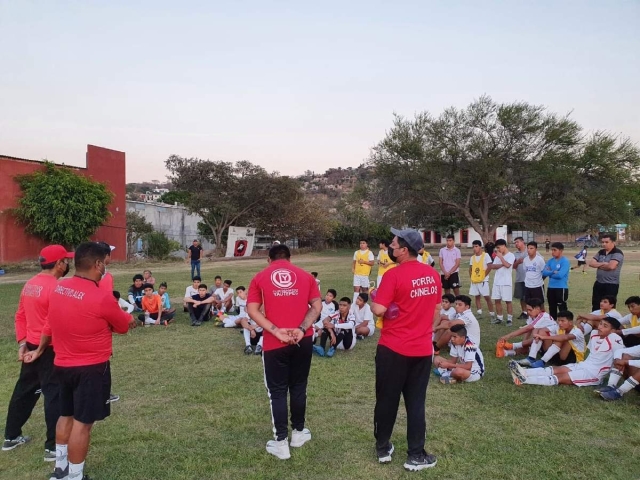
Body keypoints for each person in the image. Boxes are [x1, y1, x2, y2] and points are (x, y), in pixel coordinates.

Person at [23, 241, 137, 480]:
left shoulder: (58, 288)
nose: (106, 267)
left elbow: (50, 324)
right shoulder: (101, 297)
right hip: (91, 369)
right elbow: (123, 325)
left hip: (62, 365)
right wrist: (129, 320)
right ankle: (75, 475)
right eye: (105, 263)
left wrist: (40, 349)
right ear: (97, 264)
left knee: (65, 416)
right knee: (83, 424)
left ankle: (61, 469)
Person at [370, 227, 441, 471]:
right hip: (421, 349)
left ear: (403, 250)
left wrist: (374, 299)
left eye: (393, 243)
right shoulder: (433, 275)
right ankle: (416, 455)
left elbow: (379, 310)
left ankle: (383, 447)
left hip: (393, 348)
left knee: (387, 399)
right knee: (416, 402)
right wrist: (424, 331)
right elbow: (437, 310)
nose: (390, 246)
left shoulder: (393, 275)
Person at [246, 244, 321, 460]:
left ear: (269, 260)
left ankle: (281, 442)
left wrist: (276, 331)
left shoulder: (260, 277)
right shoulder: (306, 276)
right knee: (298, 387)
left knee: (277, 392)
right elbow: (316, 306)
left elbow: (252, 309)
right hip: (303, 340)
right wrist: (301, 329)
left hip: (274, 343)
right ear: (290, 258)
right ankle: (297, 433)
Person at [2, 245, 73, 462]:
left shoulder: (30, 284)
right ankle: (53, 446)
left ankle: (11, 436)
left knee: (24, 391)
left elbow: (20, 315)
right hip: (48, 349)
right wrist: (41, 348)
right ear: (59, 264)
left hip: (31, 346)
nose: (67, 264)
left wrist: (23, 344)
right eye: (65, 260)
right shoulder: (56, 288)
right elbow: (52, 324)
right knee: (54, 394)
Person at [508, 317, 624, 387]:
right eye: (600, 324)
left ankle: (525, 380)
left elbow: (620, 361)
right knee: (557, 369)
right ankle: (524, 372)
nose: (600, 327)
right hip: (583, 365)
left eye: (605, 326)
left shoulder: (615, 338)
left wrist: (612, 384)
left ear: (613, 330)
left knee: (562, 377)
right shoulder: (594, 334)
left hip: (594, 374)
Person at [495, 298, 558, 364]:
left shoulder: (543, 316)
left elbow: (527, 329)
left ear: (538, 309)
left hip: (550, 346)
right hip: (541, 343)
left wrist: (508, 336)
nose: (528, 312)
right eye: (527, 310)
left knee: (537, 331)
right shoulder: (533, 316)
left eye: (530, 310)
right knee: (530, 343)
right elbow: (528, 330)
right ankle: (506, 353)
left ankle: (529, 357)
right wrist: (524, 344)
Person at [588, 234, 624, 312]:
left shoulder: (617, 253)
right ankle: (595, 322)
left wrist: (598, 264)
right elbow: (591, 263)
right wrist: (603, 263)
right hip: (599, 283)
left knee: (609, 307)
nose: (604, 244)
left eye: (606, 242)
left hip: (611, 284)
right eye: (603, 242)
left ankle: (608, 322)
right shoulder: (601, 252)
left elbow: (611, 266)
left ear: (613, 242)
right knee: (596, 304)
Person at [487, 239, 515, 326]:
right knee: (497, 300)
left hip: (506, 282)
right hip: (497, 281)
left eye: (499, 247)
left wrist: (501, 258)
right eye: (497, 248)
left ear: (504, 246)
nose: (498, 250)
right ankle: (499, 318)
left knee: (508, 301)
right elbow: (493, 266)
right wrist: (502, 263)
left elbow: (508, 265)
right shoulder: (497, 256)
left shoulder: (511, 255)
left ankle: (509, 319)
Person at [542, 242, 570, 320]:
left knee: (562, 308)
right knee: (552, 307)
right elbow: (544, 272)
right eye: (552, 250)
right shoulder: (550, 261)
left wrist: (550, 272)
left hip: (561, 288)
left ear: (561, 251)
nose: (552, 252)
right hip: (551, 288)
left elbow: (560, 275)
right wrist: (553, 272)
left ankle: (565, 324)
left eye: (555, 250)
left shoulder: (565, 261)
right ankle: (553, 324)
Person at [468, 240, 494, 321]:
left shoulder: (485, 255)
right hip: (475, 281)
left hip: (483, 281)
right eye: (473, 247)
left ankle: (492, 314)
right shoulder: (472, 257)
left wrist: (484, 276)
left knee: (487, 297)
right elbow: (470, 269)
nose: (474, 248)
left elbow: (489, 266)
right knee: (477, 296)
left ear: (480, 247)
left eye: (476, 246)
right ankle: (479, 312)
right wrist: (472, 277)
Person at [511, 237, 528, 321]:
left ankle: (531, 312)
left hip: (529, 279)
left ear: (523, 242)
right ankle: (524, 312)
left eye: (517, 242)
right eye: (515, 243)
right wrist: (517, 262)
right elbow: (513, 266)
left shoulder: (529, 251)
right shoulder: (514, 254)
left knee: (529, 297)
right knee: (522, 297)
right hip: (519, 278)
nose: (516, 244)